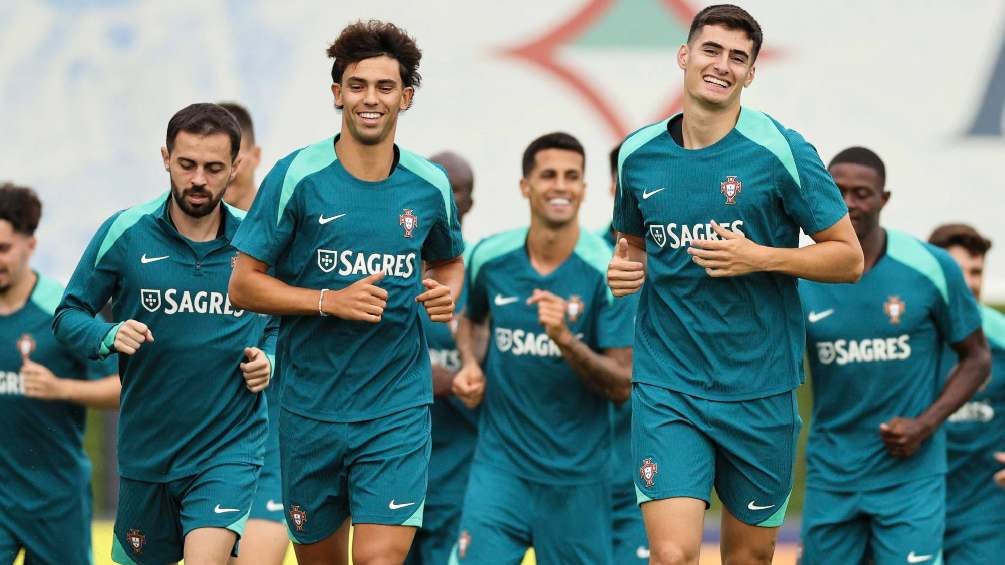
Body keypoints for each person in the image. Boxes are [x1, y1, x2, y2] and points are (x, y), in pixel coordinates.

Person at [605, 4, 865, 563]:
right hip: (668, 385)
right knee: (672, 555)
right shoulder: (637, 155)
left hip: (760, 388)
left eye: (737, 57)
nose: (721, 65)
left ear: (751, 73)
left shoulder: (782, 150)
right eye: (711, 50)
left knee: (748, 557)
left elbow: (847, 259)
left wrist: (760, 257)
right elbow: (634, 243)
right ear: (685, 55)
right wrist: (627, 266)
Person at [227, 20, 464, 565]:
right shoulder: (296, 177)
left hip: (397, 407)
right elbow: (242, 284)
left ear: (406, 97)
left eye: (385, 87)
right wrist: (326, 301)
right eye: (357, 85)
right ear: (337, 93)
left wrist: (444, 292)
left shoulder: (429, 185)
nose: (370, 99)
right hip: (309, 410)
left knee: (380, 559)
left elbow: (450, 260)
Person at [53, 103, 274, 565]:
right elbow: (69, 314)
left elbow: (285, 320)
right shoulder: (125, 233)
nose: (199, 179)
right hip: (147, 455)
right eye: (187, 164)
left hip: (229, 448)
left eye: (214, 168)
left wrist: (269, 357)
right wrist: (107, 335)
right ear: (166, 158)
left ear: (236, 167)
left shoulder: (256, 242)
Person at [798, 147, 990, 564]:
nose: (849, 202)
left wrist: (925, 424)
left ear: (884, 199)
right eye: (838, 190)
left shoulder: (930, 267)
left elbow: (976, 358)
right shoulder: (801, 271)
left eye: (862, 193)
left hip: (910, 477)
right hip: (833, 473)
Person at [451, 132, 634, 564]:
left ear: (584, 190)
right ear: (525, 186)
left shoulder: (606, 270)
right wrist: (470, 363)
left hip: (577, 482)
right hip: (500, 471)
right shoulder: (490, 258)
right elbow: (472, 320)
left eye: (572, 177)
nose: (561, 186)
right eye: (548, 175)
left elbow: (622, 383)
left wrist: (566, 340)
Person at [0, 183, 118, 565]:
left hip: (56, 500)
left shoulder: (63, 312)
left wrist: (60, 388)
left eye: (3, 249)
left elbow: (124, 387)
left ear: (30, 245)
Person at [214, 101, 289, 565]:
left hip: (273, 446)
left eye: (232, 157)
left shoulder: (285, 228)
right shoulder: (183, 238)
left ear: (254, 155)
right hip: (201, 445)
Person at [404, 151, 477, 565]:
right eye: (440, 187)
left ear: (469, 203)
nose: (448, 197)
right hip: (396, 467)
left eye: (458, 189)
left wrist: (461, 376)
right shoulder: (392, 276)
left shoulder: (485, 281)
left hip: (460, 480)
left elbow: (497, 369)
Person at [928, 223, 1005, 564]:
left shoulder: (1001, 337)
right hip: (914, 502)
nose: (970, 282)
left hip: (983, 510)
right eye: (958, 271)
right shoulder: (909, 338)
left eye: (976, 272)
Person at [218, 102, 263, 212]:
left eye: (234, 159)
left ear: (256, 155)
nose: (225, 172)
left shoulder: (285, 223)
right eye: (213, 163)